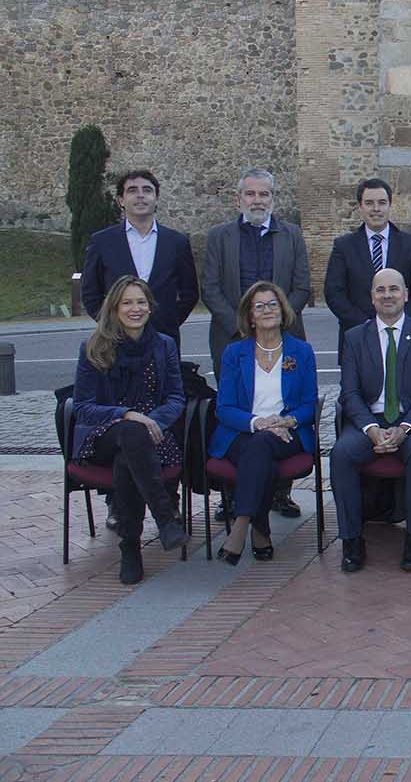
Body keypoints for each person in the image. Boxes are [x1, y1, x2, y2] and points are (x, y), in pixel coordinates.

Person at [202, 167, 312, 521]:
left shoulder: (291, 235)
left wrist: (276, 323)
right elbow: (211, 289)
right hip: (231, 339)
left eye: (264, 194)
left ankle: (280, 493)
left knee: (284, 405)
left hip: (285, 338)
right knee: (238, 411)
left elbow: (301, 286)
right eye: (251, 194)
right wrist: (242, 329)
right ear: (240, 198)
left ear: (273, 198)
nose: (257, 200)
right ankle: (231, 496)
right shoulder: (219, 237)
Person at [72, 276, 189, 585]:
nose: (135, 308)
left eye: (141, 302)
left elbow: (177, 397)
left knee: (130, 454)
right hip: (102, 436)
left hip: (152, 436)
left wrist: (154, 421)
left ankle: (131, 548)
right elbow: (83, 406)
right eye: (127, 302)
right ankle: (165, 517)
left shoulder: (164, 346)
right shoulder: (94, 346)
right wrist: (128, 414)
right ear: (114, 308)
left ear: (150, 307)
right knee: (129, 433)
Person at [330, 268, 411, 574]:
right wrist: (371, 429)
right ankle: (352, 539)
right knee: (341, 453)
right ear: (372, 297)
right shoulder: (355, 337)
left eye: (394, 289)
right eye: (380, 290)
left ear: (406, 295)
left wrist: (405, 428)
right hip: (371, 421)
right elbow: (350, 393)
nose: (387, 295)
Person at [208, 282, 319, 565]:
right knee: (261, 452)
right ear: (250, 316)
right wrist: (258, 422)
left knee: (262, 446)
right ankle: (260, 529)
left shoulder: (301, 351)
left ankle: (241, 523)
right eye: (260, 306)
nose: (268, 310)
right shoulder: (234, 353)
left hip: (288, 433)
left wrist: (288, 420)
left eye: (273, 304)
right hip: (241, 433)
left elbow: (309, 404)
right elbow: (225, 408)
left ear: (283, 311)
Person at [81, 170, 199, 353]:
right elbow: (90, 293)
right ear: (121, 200)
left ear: (156, 198)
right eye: (132, 190)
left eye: (147, 190)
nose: (140, 196)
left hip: (164, 338)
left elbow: (189, 293)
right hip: (116, 339)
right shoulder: (102, 242)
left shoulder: (177, 242)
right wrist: (111, 323)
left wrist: (169, 320)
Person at [323, 177, 411, 361]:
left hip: (404, 338)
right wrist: (368, 325)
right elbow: (334, 293)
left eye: (382, 203)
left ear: (390, 205)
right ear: (360, 207)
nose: (376, 209)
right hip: (358, 338)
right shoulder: (343, 246)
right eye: (369, 203)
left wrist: (399, 323)